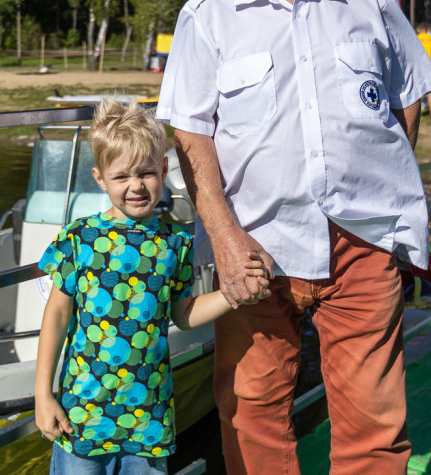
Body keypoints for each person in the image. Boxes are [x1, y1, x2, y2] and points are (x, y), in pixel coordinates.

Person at [157, 0, 431, 475]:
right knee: (251, 413)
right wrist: (225, 240)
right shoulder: (208, 15)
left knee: (373, 421)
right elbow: (189, 135)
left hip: (362, 240)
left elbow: (406, 101)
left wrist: (384, 194)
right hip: (256, 243)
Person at [34, 99, 268, 474]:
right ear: (99, 178)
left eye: (146, 173)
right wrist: (42, 394)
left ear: (163, 169)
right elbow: (57, 315)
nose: (136, 186)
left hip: (149, 423)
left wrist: (230, 294)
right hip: (80, 418)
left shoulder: (175, 244)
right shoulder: (79, 237)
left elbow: (184, 314)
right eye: (121, 177)